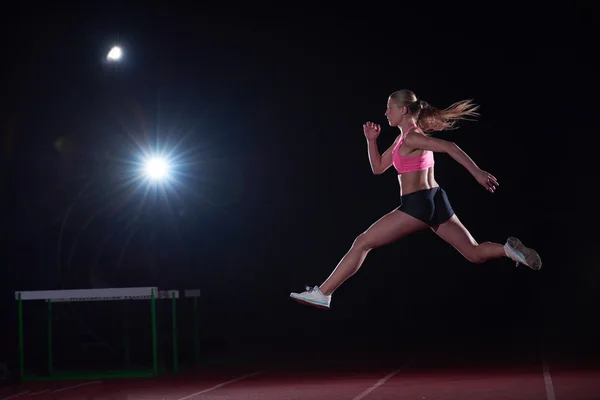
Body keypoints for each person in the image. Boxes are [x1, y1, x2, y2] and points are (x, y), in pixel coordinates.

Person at [290, 89, 542, 310]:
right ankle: (508, 251)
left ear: (402, 110)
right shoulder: (403, 139)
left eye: (389, 108)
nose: (385, 112)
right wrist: (371, 141)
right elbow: (378, 168)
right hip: (436, 200)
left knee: (362, 242)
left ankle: (323, 293)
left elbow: (450, 147)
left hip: (418, 204)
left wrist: (477, 173)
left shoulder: (410, 137)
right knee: (474, 253)